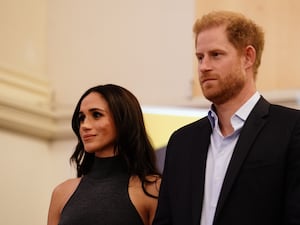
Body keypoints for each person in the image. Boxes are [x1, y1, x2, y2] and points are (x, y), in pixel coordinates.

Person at [153, 10, 300, 225]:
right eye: (200, 57)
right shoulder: (181, 141)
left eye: (216, 55)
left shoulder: (291, 129)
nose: (203, 67)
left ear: (248, 57)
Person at [47, 84, 161, 225]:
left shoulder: (152, 188)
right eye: (81, 118)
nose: (84, 125)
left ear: (123, 119)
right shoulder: (61, 193)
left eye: (96, 115)